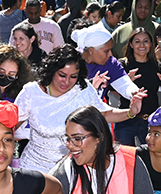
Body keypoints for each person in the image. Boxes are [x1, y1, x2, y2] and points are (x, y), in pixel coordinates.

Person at [15, 46, 144, 175]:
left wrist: (131, 112)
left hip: (70, 170)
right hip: (35, 169)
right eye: (62, 75)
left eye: (73, 76)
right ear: (52, 71)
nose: (66, 81)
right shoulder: (31, 92)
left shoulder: (83, 89)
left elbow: (103, 115)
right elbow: (11, 126)